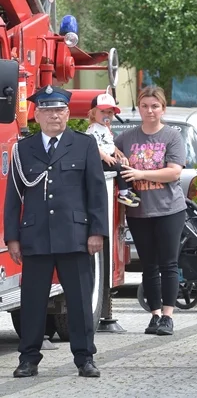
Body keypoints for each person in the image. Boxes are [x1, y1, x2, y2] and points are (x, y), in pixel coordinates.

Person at [4, 86, 107, 379]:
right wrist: (12, 238)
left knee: (78, 302)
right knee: (32, 303)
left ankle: (85, 358)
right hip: (35, 237)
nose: (54, 116)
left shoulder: (84, 145)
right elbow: (13, 197)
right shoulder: (24, 149)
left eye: (60, 110)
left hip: (75, 235)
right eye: (48, 110)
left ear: (67, 113)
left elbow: (96, 192)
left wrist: (96, 231)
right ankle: (28, 359)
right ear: (36, 115)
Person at [115, 85, 188, 336]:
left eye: (155, 106)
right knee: (148, 265)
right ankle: (154, 315)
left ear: (163, 109)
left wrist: (140, 173)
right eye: (145, 106)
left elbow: (174, 172)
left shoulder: (172, 136)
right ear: (139, 107)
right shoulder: (126, 138)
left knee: (169, 263)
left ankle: (168, 316)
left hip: (169, 210)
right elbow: (111, 157)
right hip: (139, 211)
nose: (150, 111)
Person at [85, 93, 141, 208]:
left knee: (125, 167)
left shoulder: (105, 128)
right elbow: (93, 145)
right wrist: (105, 157)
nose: (106, 115)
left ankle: (128, 190)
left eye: (110, 112)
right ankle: (123, 194)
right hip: (98, 160)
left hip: (107, 157)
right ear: (93, 113)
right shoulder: (93, 128)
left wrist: (116, 152)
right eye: (102, 111)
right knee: (119, 168)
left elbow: (108, 142)